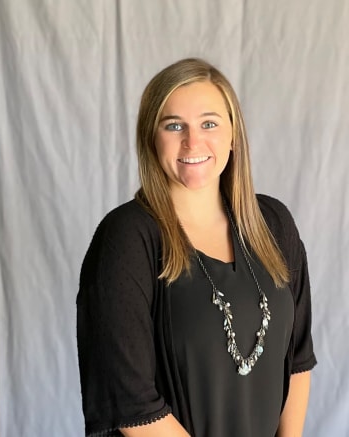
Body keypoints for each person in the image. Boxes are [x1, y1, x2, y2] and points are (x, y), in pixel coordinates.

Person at [76, 58, 317, 437]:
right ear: (150, 138)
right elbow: (131, 403)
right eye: (174, 126)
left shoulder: (274, 224)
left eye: (209, 123)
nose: (193, 141)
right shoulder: (126, 240)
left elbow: (299, 359)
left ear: (233, 134)